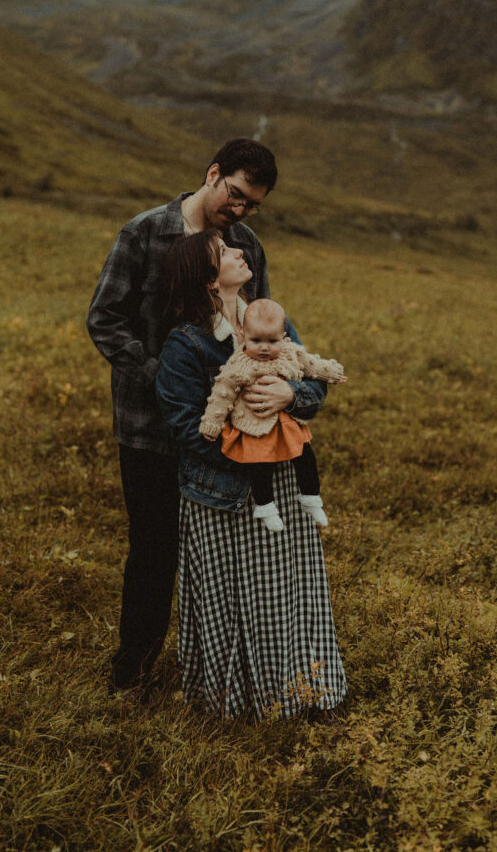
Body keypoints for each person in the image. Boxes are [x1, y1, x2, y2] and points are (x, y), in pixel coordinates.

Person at [87, 139, 304, 698]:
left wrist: (281, 388)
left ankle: (217, 672)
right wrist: (166, 376)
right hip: (147, 426)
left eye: (252, 205)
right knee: (154, 550)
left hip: (228, 431)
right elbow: (105, 320)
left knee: (220, 553)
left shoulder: (245, 244)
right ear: (212, 174)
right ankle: (131, 674)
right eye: (235, 195)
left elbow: (264, 324)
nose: (240, 211)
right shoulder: (145, 232)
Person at [156, 231, 347, 720]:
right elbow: (184, 425)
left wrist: (292, 397)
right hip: (221, 490)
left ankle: (304, 693)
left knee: (290, 591)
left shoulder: (272, 319)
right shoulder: (186, 342)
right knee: (233, 600)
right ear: (206, 278)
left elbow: (312, 385)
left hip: (282, 482)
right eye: (225, 253)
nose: (241, 252)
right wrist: (252, 450)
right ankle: (238, 703)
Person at [199, 298, 346, 533]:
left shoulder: (289, 352)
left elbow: (312, 364)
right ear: (243, 334)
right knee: (260, 466)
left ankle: (311, 497)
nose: (265, 348)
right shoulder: (239, 364)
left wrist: (334, 373)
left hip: (286, 422)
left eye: (272, 341)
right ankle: (265, 506)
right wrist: (212, 424)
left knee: (306, 456)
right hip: (254, 424)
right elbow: (222, 393)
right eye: (256, 341)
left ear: (283, 335)